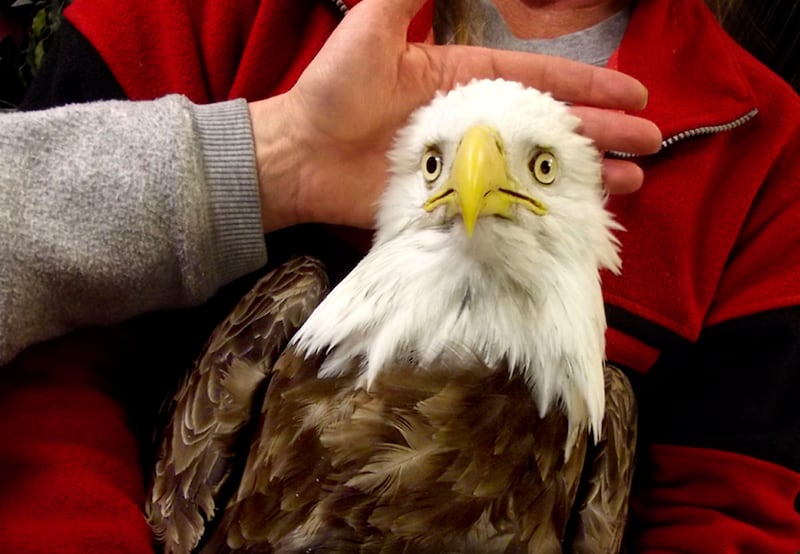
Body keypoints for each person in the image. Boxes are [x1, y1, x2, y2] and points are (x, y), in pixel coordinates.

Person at [3, 0, 799, 552]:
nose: (477, 177)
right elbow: (49, 352)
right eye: (433, 163)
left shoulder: (768, 148)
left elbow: (727, 513)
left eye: (544, 168)